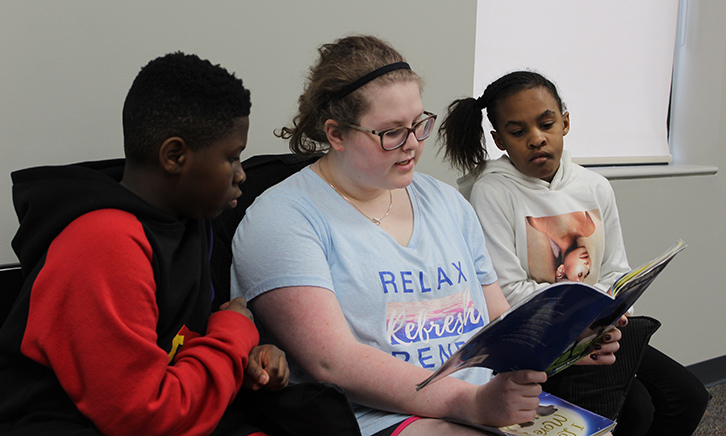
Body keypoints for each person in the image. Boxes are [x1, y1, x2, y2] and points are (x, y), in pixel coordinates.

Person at [229, 35, 620, 436]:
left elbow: (499, 323)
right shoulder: (283, 218)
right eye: (392, 133)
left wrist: (568, 343)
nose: (414, 145)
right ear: (337, 134)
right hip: (383, 417)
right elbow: (332, 362)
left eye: (419, 124)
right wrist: (467, 402)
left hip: (483, 404)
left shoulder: (446, 203)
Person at [0, 52, 289, 436]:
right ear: (174, 156)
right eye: (231, 158)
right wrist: (235, 333)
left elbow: (180, 344)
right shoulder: (104, 242)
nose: (241, 176)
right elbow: (142, 417)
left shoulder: (188, 221)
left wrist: (247, 358)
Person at [438, 70, 710, 436]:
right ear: (499, 139)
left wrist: (616, 314)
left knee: (688, 395)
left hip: (601, 329)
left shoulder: (595, 186)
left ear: (564, 122)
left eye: (546, 124)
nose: (536, 139)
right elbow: (507, 292)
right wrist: (585, 318)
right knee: (637, 408)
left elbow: (615, 270)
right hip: (544, 340)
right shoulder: (491, 192)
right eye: (518, 132)